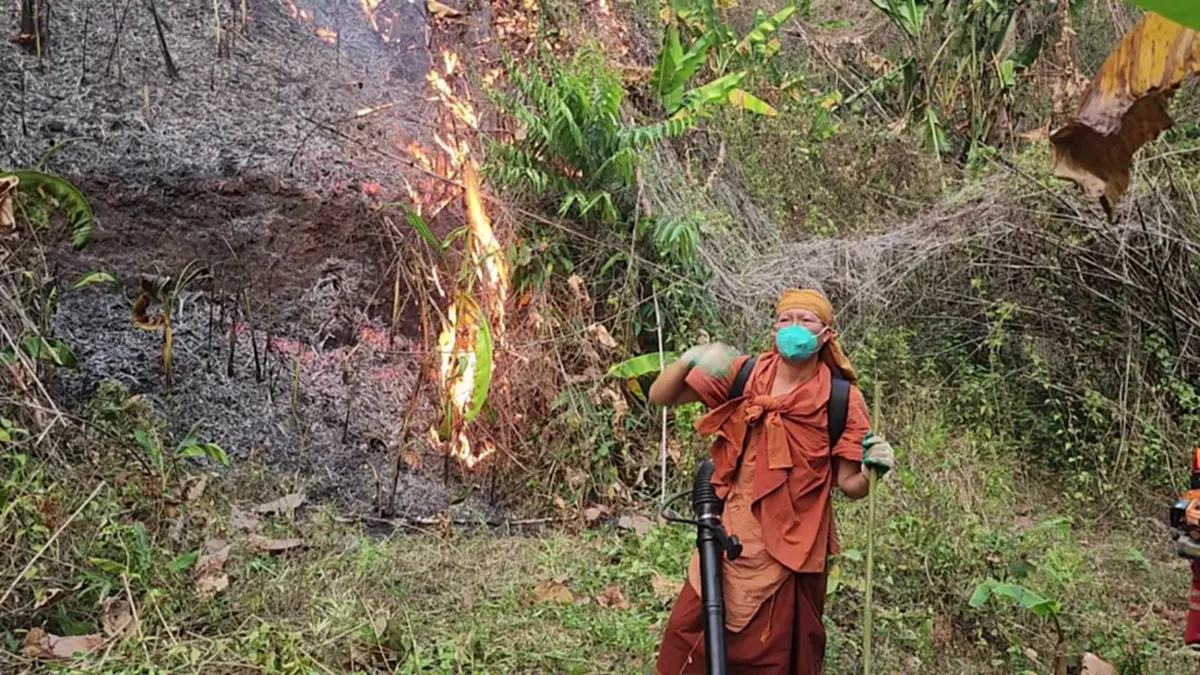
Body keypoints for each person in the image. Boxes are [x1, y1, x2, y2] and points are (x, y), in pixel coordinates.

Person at [650, 288, 896, 675]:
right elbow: (661, 395)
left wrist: (872, 470)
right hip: (726, 537)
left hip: (792, 549)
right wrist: (689, 360)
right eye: (786, 320)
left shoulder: (842, 400)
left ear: (826, 334)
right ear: (773, 329)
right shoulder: (745, 375)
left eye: (806, 321)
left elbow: (850, 485)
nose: (794, 328)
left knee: (774, 657)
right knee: (689, 642)